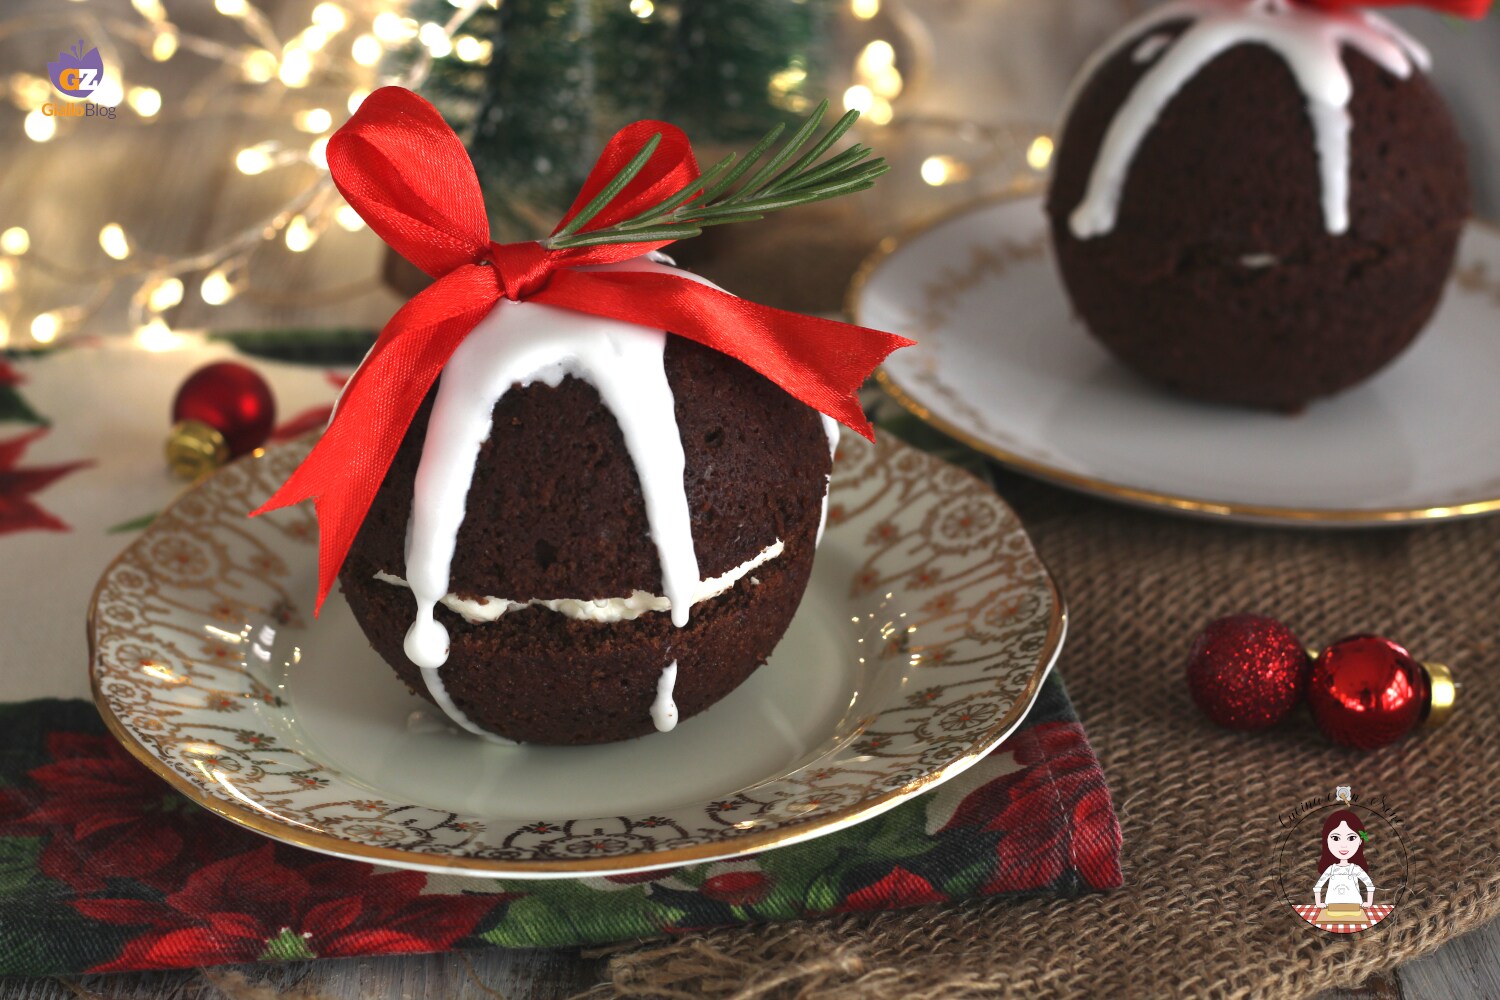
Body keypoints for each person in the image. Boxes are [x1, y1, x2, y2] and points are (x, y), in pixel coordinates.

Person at [1314, 809, 1375, 920]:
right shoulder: (1331, 869)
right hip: (1332, 908)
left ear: (1360, 841)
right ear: (1327, 841)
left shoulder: (1355, 869)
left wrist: (1368, 902)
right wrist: (1318, 903)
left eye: (1351, 838)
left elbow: (1369, 885)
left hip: (1354, 908)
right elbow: (1318, 886)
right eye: (1335, 838)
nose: (1343, 845)